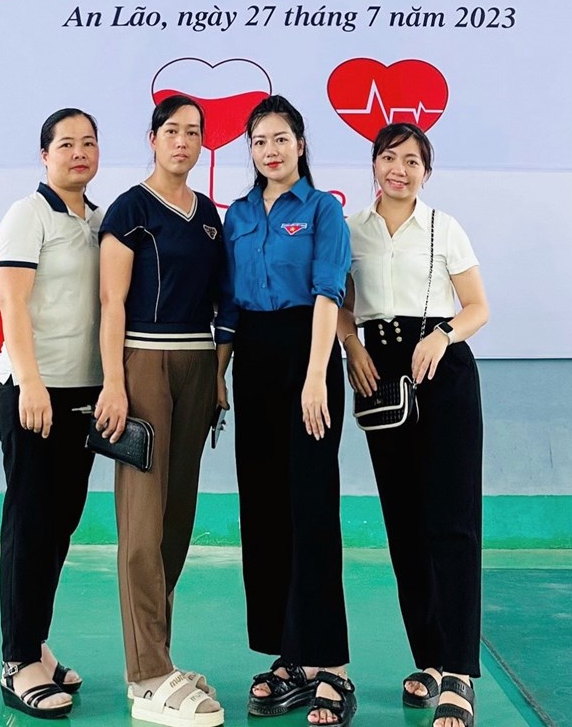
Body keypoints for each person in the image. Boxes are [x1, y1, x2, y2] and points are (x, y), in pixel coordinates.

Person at [341, 123, 490, 727]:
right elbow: (340, 303)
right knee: (404, 526)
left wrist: (443, 334)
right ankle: (428, 658)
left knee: (452, 523)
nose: (398, 169)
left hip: (442, 372)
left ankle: (459, 672)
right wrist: (352, 346)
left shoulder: (443, 227)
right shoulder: (351, 228)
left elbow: (478, 306)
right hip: (379, 373)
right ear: (374, 164)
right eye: (388, 157)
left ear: (426, 172)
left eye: (411, 160)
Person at [217, 95, 356, 727]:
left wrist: (316, 376)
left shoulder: (323, 209)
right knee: (264, 507)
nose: (270, 151)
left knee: (312, 508)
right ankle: (289, 657)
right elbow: (228, 303)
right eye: (258, 141)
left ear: (300, 144)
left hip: (309, 353)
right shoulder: (240, 215)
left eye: (280, 139)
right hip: (253, 359)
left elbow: (329, 292)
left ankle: (333, 667)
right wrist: (219, 377)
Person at [94, 95, 227, 727]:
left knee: (177, 519)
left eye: (193, 132)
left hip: (198, 366)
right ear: (152, 138)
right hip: (143, 366)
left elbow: (218, 303)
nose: (183, 141)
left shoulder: (209, 216)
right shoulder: (130, 210)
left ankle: (160, 657)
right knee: (143, 524)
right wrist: (114, 384)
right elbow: (112, 304)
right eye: (172, 130)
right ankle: (145, 675)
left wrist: (218, 376)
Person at [0, 109, 104, 720]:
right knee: (30, 524)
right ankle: (17, 661)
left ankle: (35, 641)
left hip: (84, 393)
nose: (78, 153)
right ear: (45, 154)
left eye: (88, 143)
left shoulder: (98, 220)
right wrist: (31, 383)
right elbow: (12, 302)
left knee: (59, 525)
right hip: (35, 392)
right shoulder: (27, 214)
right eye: (66, 144)